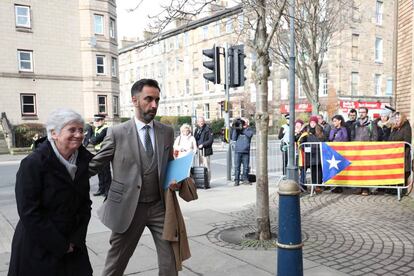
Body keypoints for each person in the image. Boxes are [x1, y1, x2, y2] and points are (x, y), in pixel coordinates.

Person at [89, 79, 186, 276]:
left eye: (157, 100)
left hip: (160, 207)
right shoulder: (117, 133)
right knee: (116, 262)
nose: (154, 105)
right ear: (134, 100)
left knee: (170, 262)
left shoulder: (166, 132)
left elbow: (169, 164)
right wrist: (63, 168)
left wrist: (177, 179)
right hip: (129, 208)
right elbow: (95, 164)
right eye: (148, 99)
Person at [8, 108, 93, 276]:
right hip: (39, 246)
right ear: (54, 133)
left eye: (81, 130)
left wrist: (76, 239)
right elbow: (29, 212)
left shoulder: (83, 160)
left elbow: (85, 204)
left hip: (74, 245)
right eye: (72, 129)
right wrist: (60, 245)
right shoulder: (33, 164)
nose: (79, 134)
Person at [351, 107, 379, 196]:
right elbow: (352, 136)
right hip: (357, 150)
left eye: (363, 112)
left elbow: (375, 136)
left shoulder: (371, 124)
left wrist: (370, 146)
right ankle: (359, 187)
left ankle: (366, 188)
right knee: (358, 169)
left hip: (367, 151)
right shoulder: (355, 124)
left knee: (366, 170)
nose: (361, 114)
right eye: (360, 112)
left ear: (367, 113)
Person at [298, 115, 326, 190]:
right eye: (311, 122)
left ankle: (318, 186)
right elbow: (301, 141)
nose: (312, 124)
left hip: (318, 154)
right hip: (310, 155)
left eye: (314, 122)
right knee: (313, 170)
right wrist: (305, 148)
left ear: (316, 123)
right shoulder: (306, 131)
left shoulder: (320, 130)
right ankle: (314, 185)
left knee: (319, 170)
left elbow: (324, 140)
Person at [388, 112, 412, 188]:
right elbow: (390, 140)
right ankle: (394, 189)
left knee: (403, 174)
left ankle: (402, 190)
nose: (397, 119)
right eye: (396, 118)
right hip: (394, 155)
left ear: (402, 118)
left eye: (398, 118)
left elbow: (407, 141)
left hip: (403, 155)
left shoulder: (406, 128)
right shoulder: (395, 128)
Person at [89, 114, 111, 196]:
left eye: (98, 120)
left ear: (102, 120)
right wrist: (92, 139)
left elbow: (95, 140)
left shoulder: (105, 129)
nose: (96, 122)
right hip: (97, 151)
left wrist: (92, 140)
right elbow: (92, 139)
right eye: (95, 120)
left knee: (106, 173)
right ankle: (101, 189)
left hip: (104, 152)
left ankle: (107, 191)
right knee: (100, 172)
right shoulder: (97, 129)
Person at [231, 118, 254, 186]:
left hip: (246, 152)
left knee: (246, 167)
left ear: (247, 124)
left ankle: (245, 179)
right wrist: (236, 128)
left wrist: (242, 129)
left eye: (245, 122)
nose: (243, 124)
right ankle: (236, 180)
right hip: (238, 151)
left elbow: (249, 135)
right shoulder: (237, 130)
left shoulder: (249, 130)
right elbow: (233, 138)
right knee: (237, 167)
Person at [194, 116, 214, 182]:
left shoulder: (208, 129)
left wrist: (203, 144)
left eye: (202, 121)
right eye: (199, 121)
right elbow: (194, 139)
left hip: (205, 150)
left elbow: (211, 140)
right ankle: (201, 181)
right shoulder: (197, 130)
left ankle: (207, 181)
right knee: (199, 166)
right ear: (197, 122)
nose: (201, 123)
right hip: (199, 151)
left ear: (204, 121)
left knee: (207, 166)